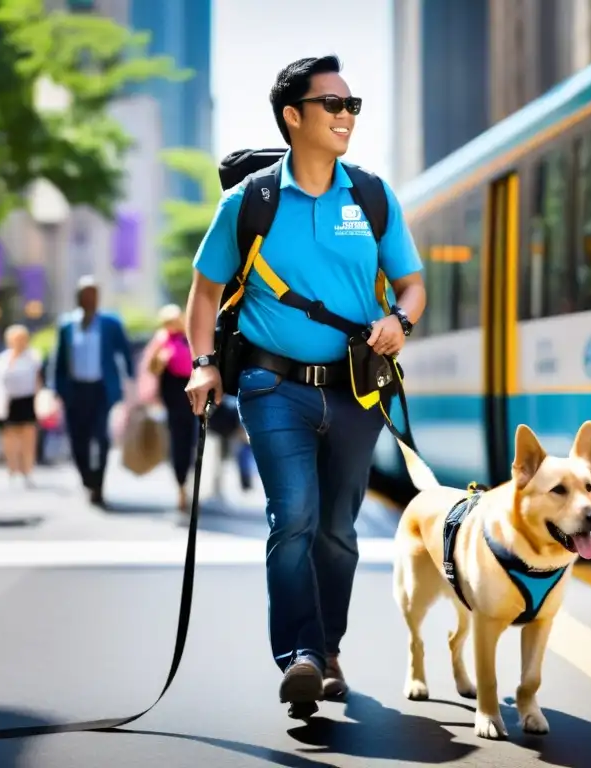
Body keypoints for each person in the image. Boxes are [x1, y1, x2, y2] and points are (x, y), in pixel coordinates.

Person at [184, 55, 426, 716]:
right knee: (292, 517)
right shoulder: (251, 201)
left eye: (353, 106)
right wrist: (204, 363)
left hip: (356, 392)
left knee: (337, 532)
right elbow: (203, 294)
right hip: (272, 388)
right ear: (294, 117)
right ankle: (300, 658)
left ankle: (329, 647)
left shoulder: (372, 196)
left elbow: (412, 283)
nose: (347, 117)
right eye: (333, 105)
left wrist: (399, 320)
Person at [49, 275, 134, 508]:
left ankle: (98, 484)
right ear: (78, 297)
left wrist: (131, 380)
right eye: (86, 294)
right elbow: (58, 359)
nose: (90, 299)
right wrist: (55, 389)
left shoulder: (110, 323)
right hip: (75, 391)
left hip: (101, 390)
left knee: (101, 437)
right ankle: (86, 477)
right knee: (78, 438)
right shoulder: (67, 324)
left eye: (94, 294)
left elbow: (125, 352)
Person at [139, 304, 197, 511]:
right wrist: (160, 360)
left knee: (190, 442)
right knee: (178, 443)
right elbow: (151, 370)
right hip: (173, 400)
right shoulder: (161, 341)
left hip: (192, 397)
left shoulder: (189, 337)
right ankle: (181, 485)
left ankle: (187, 482)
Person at [0, 324, 42, 486]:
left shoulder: (33, 357)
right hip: (9, 401)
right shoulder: (2, 359)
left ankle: (27, 470)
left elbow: (38, 381)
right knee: (10, 438)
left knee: (28, 437)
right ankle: (12, 469)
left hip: (27, 400)